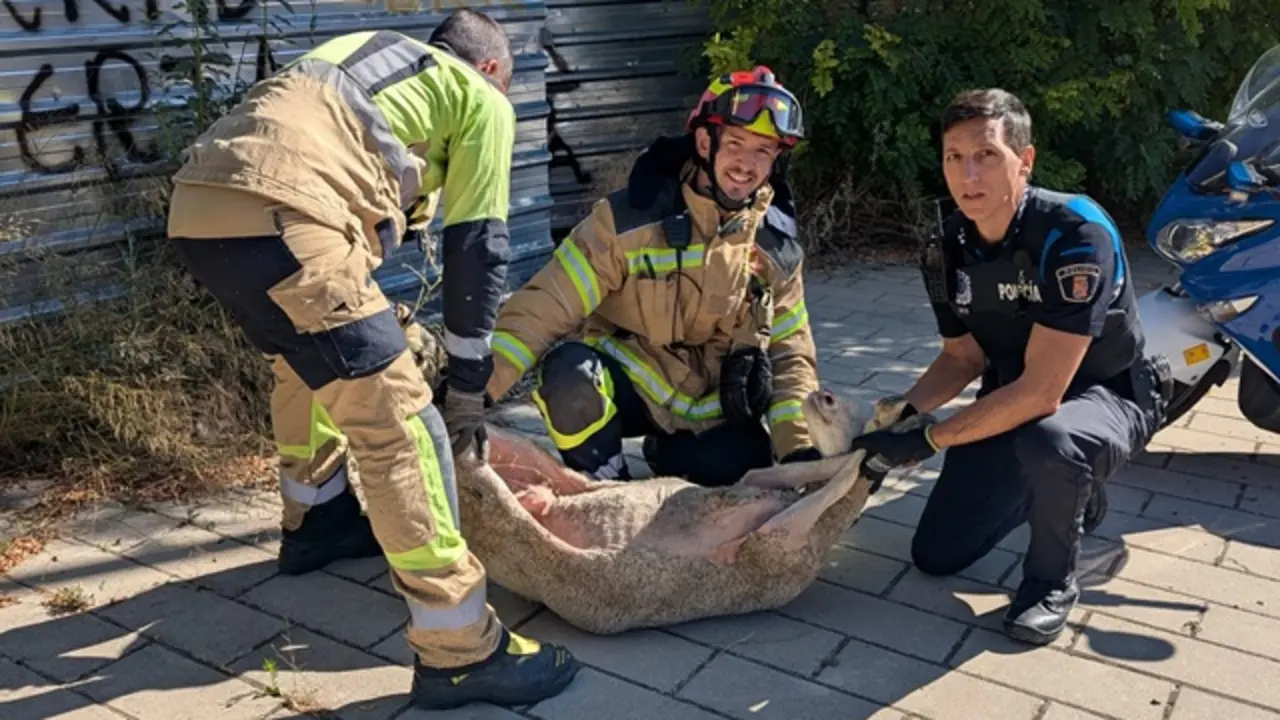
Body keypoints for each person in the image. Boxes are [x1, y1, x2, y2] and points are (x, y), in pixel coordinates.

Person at [163, 10, 580, 710]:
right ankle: (460, 648)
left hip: (202, 209)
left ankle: (317, 521)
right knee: (402, 423)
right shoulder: (479, 97)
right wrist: (467, 386)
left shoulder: (369, 59)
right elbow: (478, 246)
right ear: (490, 70)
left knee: (306, 366)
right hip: (282, 208)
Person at [846, 88, 1172, 646]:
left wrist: (929, 439)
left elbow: (1044, 393)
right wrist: (899, 418)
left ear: (1025, 160)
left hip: (1106, 395)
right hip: (1011, 398)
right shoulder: (946, 246)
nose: (968, 174)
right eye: (954, 157)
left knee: (1051, 440)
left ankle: (1050, 581)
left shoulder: (1075, 234)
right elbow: (963, 358)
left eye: (986, 155)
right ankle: (1064, 489)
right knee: (936, 554)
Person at [481, 67, 824, 487]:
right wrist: (473, 392)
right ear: (705, 142)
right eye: (736, 143)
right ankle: (605, 482)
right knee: (569, 375)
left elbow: (791, 357)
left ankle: (671, 454)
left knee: (740, 465)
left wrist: (802, 454)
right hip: (631, 389)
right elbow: (543, 306)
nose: (747, 164)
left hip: (710, 411)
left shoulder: (776, 249)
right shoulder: (627, 221)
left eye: (763, 151)